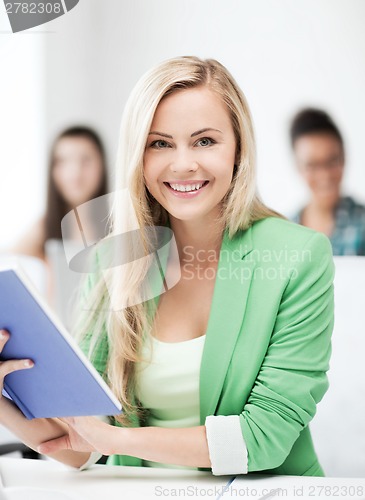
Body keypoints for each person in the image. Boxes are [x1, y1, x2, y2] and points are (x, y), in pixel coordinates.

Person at [0, 56, 335, 477]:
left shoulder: (297, 256)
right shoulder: (112, 261)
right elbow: (81, 442)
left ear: (238, 149)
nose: (183, 164)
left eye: (205, 141)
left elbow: (263, 439)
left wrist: (116, 441)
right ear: (138, 156)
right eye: (160, 143)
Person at [9, 126, 109, 261]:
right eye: (62, 161)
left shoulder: (121, 223)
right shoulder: (44, 228)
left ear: (102, 165)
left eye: (86, 160)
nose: (75, 173)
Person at [289, 108, 365, 255]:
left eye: (332, 161)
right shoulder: (287, 230)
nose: (324, 175)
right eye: (312, 165)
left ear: (344, 158)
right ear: (298, 167)